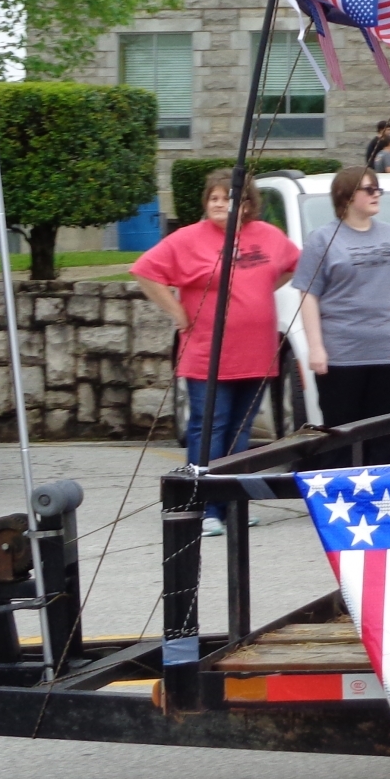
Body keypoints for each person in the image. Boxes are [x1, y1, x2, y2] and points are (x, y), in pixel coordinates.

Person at [133, 169, 298, 534]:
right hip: (208, 354)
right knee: (209, 428)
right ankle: (202, 505)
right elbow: (145, 271)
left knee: (241, 433)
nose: (221, 204)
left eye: (230, 197)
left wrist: (261, 290)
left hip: (256, 352)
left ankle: (232, 503)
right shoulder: (186, 239)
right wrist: (177, 311)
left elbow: (290, 266)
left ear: (248, 203)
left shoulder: (268, 236)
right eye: (215, 198)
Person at [293, 166, 390, 469]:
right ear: (347, 196)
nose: (376, 194)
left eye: (378, 188)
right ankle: (342, 496)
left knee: (383, 431)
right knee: (341, 431)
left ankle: (377, 498)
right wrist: (316, 347)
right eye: (369, 189)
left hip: (389, 348)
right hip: (343, 351)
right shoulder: (322, 239)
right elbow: (308, 294)